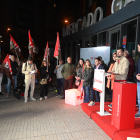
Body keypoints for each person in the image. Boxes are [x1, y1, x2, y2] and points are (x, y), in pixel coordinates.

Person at [134, 44, 140, 118]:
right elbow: (136, 70)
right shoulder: (139, 59)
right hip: (139, 81)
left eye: (139, 47)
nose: (138, 49)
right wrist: (136, 76)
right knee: (139, 98)